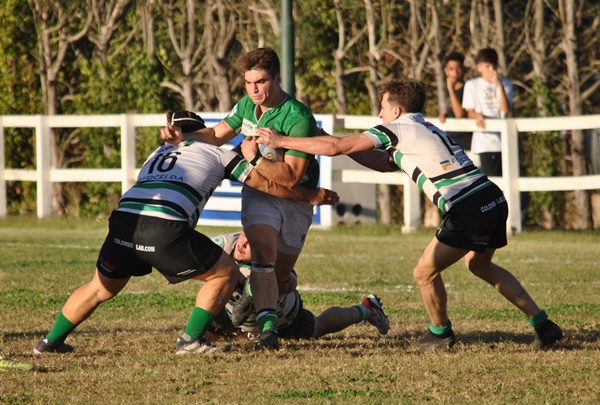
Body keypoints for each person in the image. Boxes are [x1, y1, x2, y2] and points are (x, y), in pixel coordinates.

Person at [254, 78, 563, 350]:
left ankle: (440, 334)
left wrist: (281, 141)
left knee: (423, 272)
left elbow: (337, 146)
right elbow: (384, 161)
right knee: (480, 266)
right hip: (492, 198)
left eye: (383, 108)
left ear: (396, 111)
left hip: (467, 207)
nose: (379, 115)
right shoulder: (424, 128)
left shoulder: (397, 127)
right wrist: (318, 135)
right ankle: (544, 326)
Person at [33, 111, 337, 356]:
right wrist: (309, 196)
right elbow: (266, 184)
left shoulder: (157, 153)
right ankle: (191, 340)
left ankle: (48, 342)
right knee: (224, 274)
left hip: (124, 221)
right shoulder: (217, 154)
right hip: (164, 227)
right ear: (201, 132)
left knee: (100, 288)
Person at [160, 48, 321, 350]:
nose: (254, 89)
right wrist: (182, 136)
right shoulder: (246, 105)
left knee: (282, 278)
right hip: (260, 191)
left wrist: (254, 158)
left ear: (277, 78)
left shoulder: (297, 116)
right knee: (262, 254)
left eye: (260, 82)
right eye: (249, 83)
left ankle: (263, 299)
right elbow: (217, 134)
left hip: (295, 200)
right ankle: (269, 333)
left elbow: (291, 177)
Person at [208, 231, 389, 342]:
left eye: (250, 246)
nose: (242, 245)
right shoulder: (221, 245)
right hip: (234, 311)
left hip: (282, 314)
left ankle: (367, 309)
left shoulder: (273, 255)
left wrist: (271, 283)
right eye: (243, 238)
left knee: (319, 326)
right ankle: (192, 339)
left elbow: (290, 282)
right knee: (208, 332)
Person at [462, 48, 514, 176]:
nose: (491, 70)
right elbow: (469, 113)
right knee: (489, 182)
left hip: (504, 142)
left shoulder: (506, 84)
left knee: (506, 183)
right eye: (487, 66)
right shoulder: (471, 85)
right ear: (479, 67)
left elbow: (506, 110)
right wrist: (477, 115)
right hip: (483, 144)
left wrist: (499, 86)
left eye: (493, 66)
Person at [438, 51, 472, 152]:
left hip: (465, 143)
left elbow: (460, 115)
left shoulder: (468, 88)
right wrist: (445, 114)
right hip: (451, 141)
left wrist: (451, 90)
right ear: (446, 71)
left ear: (463, 69)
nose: (455, 72)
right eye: (451, 69)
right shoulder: (447, 90)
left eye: (458, 68)